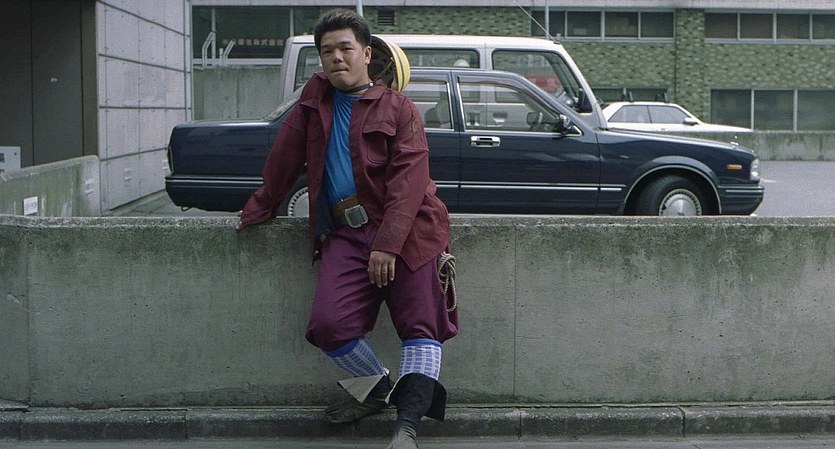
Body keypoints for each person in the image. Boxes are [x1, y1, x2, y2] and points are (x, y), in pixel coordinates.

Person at [235, 8, 458, 449]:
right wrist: (259, 207)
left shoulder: (399, 108)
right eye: (326, 51)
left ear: (366, 54)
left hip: (411, 232)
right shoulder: (313, 102)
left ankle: (407, 426)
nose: (336, 57)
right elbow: (283, 157)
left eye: (345, 48)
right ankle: (376, 387)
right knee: (328, 325)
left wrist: (387, 245)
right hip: (345, 233)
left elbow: (409, 182)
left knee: (421, 325)